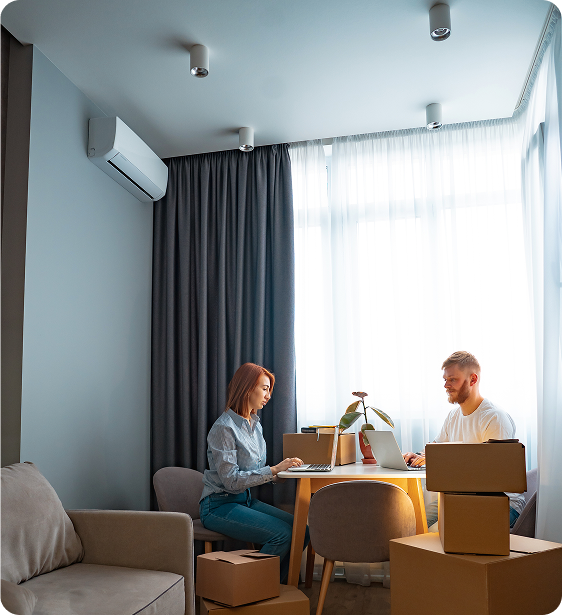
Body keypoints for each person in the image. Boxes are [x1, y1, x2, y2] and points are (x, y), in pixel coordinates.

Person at [199, 362, 309, 583]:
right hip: (218, 506)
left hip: (244, 501)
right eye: (265, 388)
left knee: (302, 531)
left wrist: (282, 472)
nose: (268, 395)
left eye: (269, 389)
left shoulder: (255, 425)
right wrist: (274, 469)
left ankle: (274, 586)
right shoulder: (224, 428)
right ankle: (251, 587)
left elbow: (256, 472)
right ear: (248, 388)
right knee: (283, 534)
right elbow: (230, 481)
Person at [403, 351, 526, 528]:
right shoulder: (453, 417)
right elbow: (436, 449)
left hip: (501, 502)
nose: (446, 385)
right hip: (459, 496)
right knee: (413, 523)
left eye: (452, 379)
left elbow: (496, 476)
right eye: (445, 379)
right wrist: (417, 457)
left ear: (473, 379)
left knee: (442, 530)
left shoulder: (494, 418)